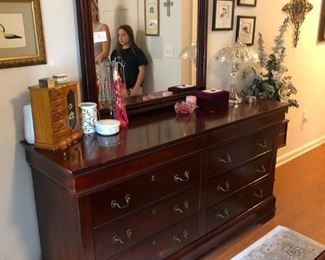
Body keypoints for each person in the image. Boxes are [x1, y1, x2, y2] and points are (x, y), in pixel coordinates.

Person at [111, 24, 148, 96]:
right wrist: (121, 87)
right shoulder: (115, 53)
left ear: (130, 36)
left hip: (135, 88)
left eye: (124, 35)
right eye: (119, 35)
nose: (120, 38)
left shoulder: (137, 52)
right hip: (121, 88)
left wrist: (135, 89)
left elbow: (142, 71)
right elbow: (115, 72)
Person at [91, 0, 111, 104]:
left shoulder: (102, 27)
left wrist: (92, 62)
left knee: (103, 98)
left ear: (96, 11)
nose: (90, 12)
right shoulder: (84, 29)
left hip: (101, 65)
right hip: (89, 68)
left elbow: (105, 51)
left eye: (93, 10)